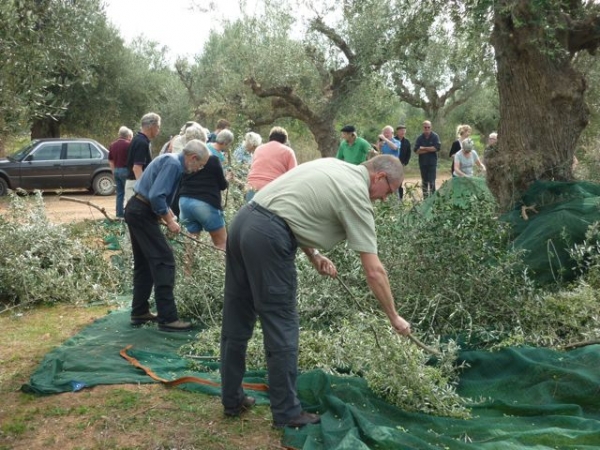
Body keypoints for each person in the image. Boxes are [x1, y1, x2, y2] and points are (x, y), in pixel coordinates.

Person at [220, 155, 411, 429]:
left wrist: (314, 255)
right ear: (379, 177)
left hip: (243, 222)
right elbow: (374, 270)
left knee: (236, 318)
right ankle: (286, 412)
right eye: (388, 192)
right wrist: (394, 317)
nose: (383, 199)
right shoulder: (357, 194)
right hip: (268, 237)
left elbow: (295, 208)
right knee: (281, 324)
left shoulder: (335, 166)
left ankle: (232, 399)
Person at [125, 140, 210, 332]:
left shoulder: (172, 161)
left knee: (144, 264)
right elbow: (156, 196)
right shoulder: (173, 164)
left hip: (138, 210)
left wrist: (169, 217)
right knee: (165, 261)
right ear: (193, 158)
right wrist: (170, 221)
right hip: (141, 212)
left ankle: (139, 311)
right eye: (200, 165)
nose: (198, 169)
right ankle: (168, 318)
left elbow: (158, 197)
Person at [179, 147, 229, 250]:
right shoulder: (213, 160)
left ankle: (188, 265)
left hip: (184, 202)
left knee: (191, 242)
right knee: (222, 243)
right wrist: (227, 178)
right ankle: (224, 266)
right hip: (205, 204)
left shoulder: (185, 159)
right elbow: (223, 185)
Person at [245, 126, 297, 202]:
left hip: (252, 188)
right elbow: (294, 176)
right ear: (285, 140)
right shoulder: (288, 152)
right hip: (272, 191)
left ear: (270, 138)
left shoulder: (259, 149)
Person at [125, 113, 161, 202]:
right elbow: (137, 168)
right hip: (136, 185)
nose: (158, 130)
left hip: (133, 183)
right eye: (158, 126)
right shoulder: (142, 143)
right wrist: (144, 191)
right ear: (151, 126)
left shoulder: (138, 139)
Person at [108, 126, 133, 218]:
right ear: (127, 135)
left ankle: (119, 214)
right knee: (129, 192)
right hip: (126, 170)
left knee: (119, 193)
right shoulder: (129, 144)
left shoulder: (112, 145)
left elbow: (110, 160)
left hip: (116, 170)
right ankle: (129, 213)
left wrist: (113, 171)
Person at [414, 120, 441, 198]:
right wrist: (430, 149)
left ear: (431, 127)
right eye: (425, 127)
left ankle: (433, 200)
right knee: (424, 182)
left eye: (428, 127)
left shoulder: (435, 136)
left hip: (432, 163)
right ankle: (425, 199)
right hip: (423, 163)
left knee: (432, 181)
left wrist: (424, 148)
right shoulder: (419, 138)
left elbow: (436, 148)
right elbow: (417, 151)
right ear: (423, 128)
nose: (427, 129)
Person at [395, 125, 412, 199]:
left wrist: (405, 163)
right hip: (392, 164)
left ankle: (400, 199)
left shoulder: (407, 142)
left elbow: (409, 153)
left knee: (399, 182)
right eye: (401, 130)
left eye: (404, 130)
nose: (403, 132)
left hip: (401, 165)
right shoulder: (393, 140)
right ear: (397, 132)